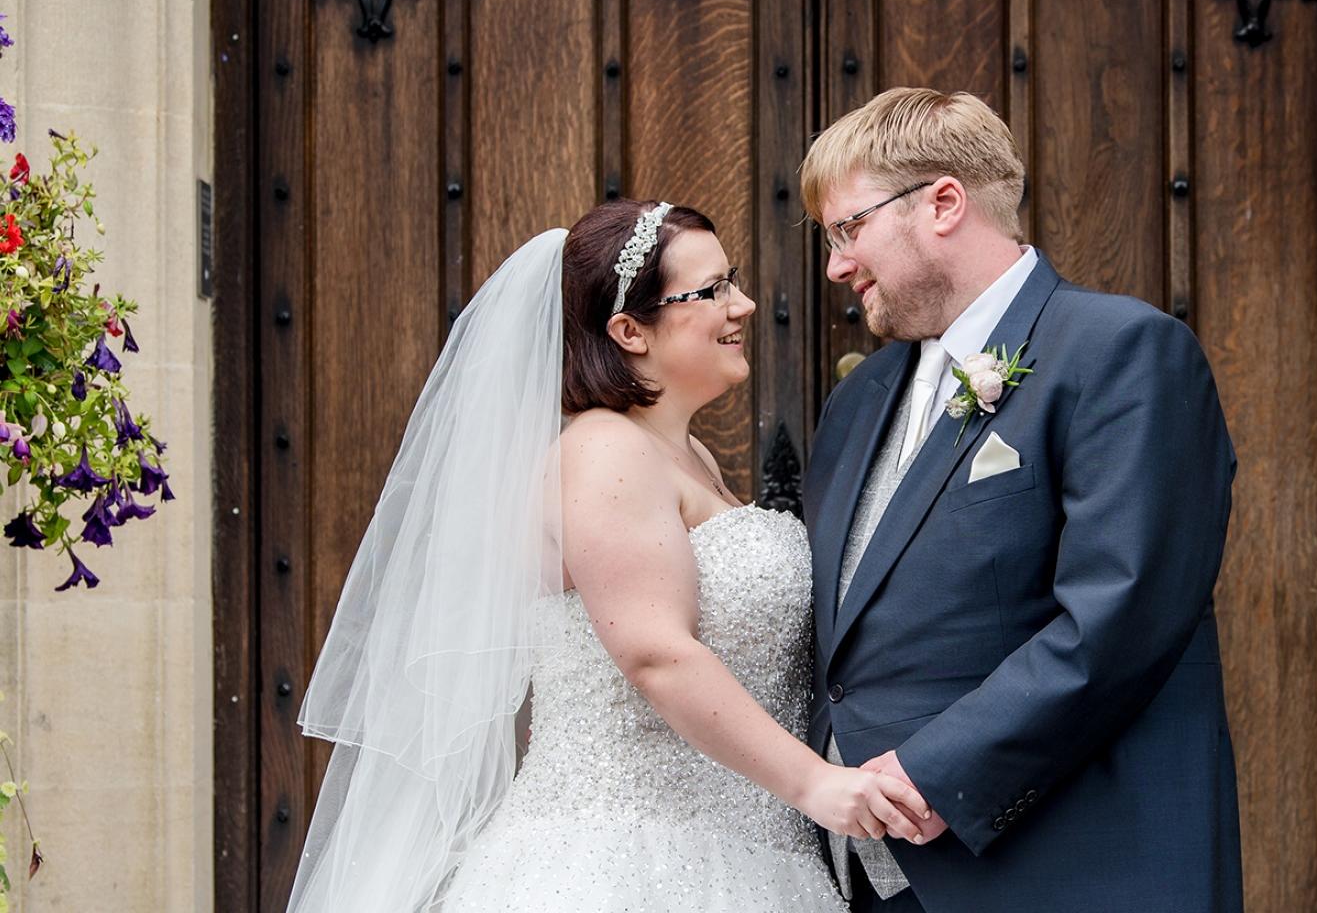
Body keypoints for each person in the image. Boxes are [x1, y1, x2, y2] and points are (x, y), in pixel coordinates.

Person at [287, 200, 927, 912]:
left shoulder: (690, 457)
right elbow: (656, 654)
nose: (742, 304)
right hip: (625, 866)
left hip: (751, 858)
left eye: (733, 281)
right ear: (628, 329)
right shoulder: (605, 451)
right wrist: (818, 785)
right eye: (712, 290)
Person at [800, 88, 1244, 913]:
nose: (835, 264)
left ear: (942, 203)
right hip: (870, 874)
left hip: (1067, 867)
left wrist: (935, 771)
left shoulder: (1121, 352)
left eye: (847, 229)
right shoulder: (858, 402)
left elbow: (1120, 616)